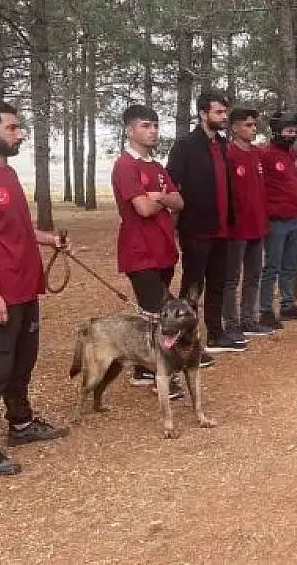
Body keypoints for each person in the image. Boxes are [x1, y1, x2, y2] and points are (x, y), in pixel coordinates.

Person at [0, 99, 70, 475]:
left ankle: (21, 423)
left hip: (25, 287)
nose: (19, 133)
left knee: (23, 360)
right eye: (12, 128)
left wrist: (47, 239)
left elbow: (14, 227)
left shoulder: (6, 173)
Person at [112, 104, 187, 398]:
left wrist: (158, 196)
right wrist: (161, 198)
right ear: (130, 130)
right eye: (145, 126)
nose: (153, 131)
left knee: (151, 313)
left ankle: (143, 370)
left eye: (155, 125)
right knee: (159, 313)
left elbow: (180, 201)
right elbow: (142, 209)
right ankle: (161, 374)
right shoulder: (125, 165)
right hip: (139, 251)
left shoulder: (156, 167)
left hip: (163, 249)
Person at [166, 89, 240, 357]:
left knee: (218, 283)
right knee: (193, 287)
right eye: (218, 112)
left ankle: (216, 333)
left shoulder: (222, 145)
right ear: (203, 113)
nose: (223, 117)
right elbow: (170, 182)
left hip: (222, 229)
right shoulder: (185, 145)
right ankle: (186, 339)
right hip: (196, 229)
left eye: (225, 113)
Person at [259, 111, 297, 324]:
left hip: (295, 218)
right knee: (272, 266)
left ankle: (288, 305)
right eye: (288, 131)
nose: (292, 135)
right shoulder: (265, 155)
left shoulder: (292, 155)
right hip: (276, 221)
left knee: (290, 266)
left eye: (294, 131)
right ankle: (265, 310)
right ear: (276, 131)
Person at [223, 107, 276, 339]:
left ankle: (248, 320)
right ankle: (230, 322)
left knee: (254, 275)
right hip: (236, 229)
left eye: (255, 125)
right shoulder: (228, 154)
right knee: (231, 278)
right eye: (248, 125)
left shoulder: (257, 154)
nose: (253, 129)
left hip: (258, 226)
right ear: (234, 128)